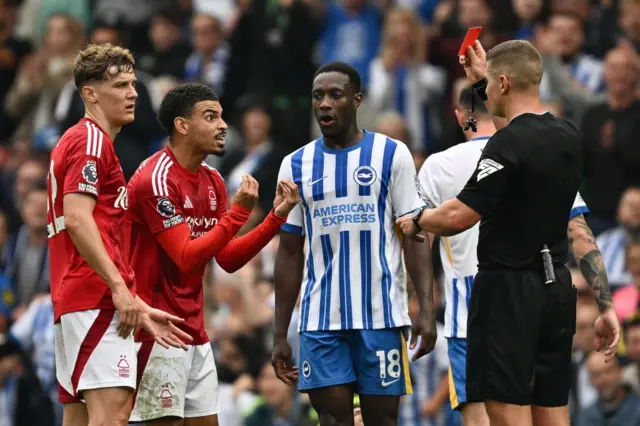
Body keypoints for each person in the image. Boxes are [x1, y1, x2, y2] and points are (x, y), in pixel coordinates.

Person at [396, 40, 621, 426]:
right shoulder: (566, 134)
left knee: (503, 414)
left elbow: (458, 216)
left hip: (504, 295)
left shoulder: (492, 150)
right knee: (551, 411)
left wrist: (416, 220)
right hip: (556, 291)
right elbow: (579, 231)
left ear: (503, 83)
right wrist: (606, 307)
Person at [271, 61, 438, 426]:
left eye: (335, 95)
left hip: (380, 317)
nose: (325, 104)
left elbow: (415, 235)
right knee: (333, 419)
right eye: (318, 96)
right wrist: (280, 332)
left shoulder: (392, 155)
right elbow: (287, 252)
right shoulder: (295, 165)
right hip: (320, 321)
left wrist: (426, 307)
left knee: (382, 421)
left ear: (357, 100)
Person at [127, 82, 301, 426]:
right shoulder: (156, 179)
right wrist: (238, 214)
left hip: (195, 332)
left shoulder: (213, 180)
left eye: (222, 117)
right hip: (155, 330)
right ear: (182, 125)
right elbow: (187, 257)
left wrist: (274, 217)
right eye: (211, 117)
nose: (223, 125)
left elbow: (227, 258)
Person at [47, 43, 193, 426]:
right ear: (90, 94)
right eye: (120, 86)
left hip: (78, 298)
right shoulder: (91, 141)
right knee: (112, 416)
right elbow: (77, 220)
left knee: (79, 419)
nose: (132, 94)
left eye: (133, 85)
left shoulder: (80, 141)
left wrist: (137, 303)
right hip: (94, 296)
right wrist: (118, 287)